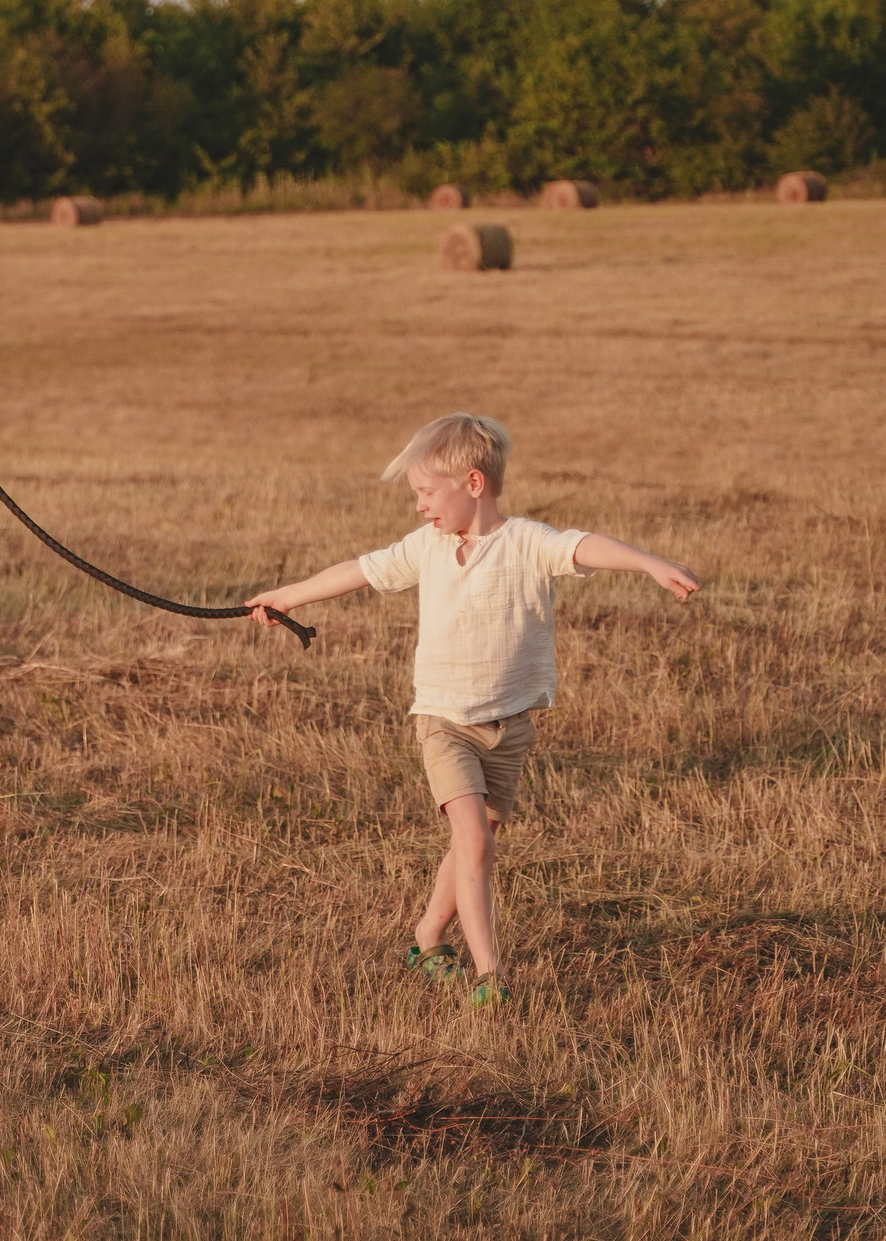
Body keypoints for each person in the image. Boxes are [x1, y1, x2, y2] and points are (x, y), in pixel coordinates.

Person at [241, 413, 699, 1005]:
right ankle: (490, 976)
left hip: (510, 726)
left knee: (472, 843)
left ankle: (429, 935)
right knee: (477, 842)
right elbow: (360, 570)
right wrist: (283, 597)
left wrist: (650, 563)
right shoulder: (425, 548)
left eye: (428, 493)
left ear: (473, 484)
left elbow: (584, 545)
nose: (419, 507)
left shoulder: (526, 544)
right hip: (443, 723)